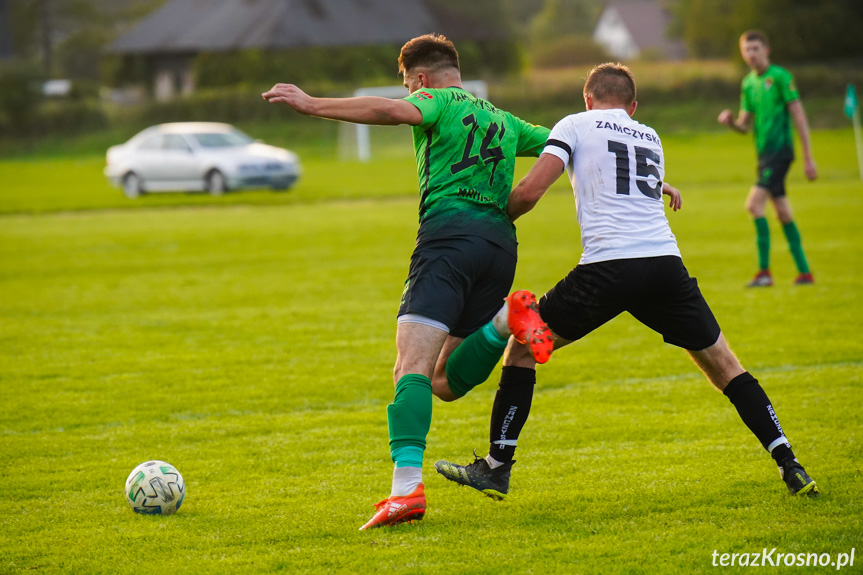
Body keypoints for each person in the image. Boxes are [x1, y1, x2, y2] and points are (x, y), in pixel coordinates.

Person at [435, 63, 819, 501]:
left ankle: (496, 468)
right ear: (633, 107)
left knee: (521, 346)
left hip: (608, 268)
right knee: (725, 366)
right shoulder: (649, 135)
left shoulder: (574, 123)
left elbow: (528, 192)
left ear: (587, 99)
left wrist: (488, 221)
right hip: (664, 265)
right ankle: (790, 462)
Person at [262, 34, 555, 530]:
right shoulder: (505, 121)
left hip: (448, 241)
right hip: (500, 248)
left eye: (407, 85)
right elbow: (570, 145)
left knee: (410, 369)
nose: (407, 94)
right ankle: (506, 320)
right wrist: (655, 180)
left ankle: (406, 491)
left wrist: (312, 105)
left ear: (420, 80)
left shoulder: (434, 100)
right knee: (443, 381)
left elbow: (393, 113)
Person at [718, 30, 817, 287]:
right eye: (747, 50)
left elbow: (799, 117)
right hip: (764, 156)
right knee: (782, 211)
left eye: (755, 49)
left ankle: (764, 273)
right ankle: (805, 273)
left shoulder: (781, 77)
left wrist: (808, 157)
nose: (751, 54)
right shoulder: (748, 83)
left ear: (766, 50)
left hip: (781, 152)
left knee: (753, 205)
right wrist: (731, 123)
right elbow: (744, 125)